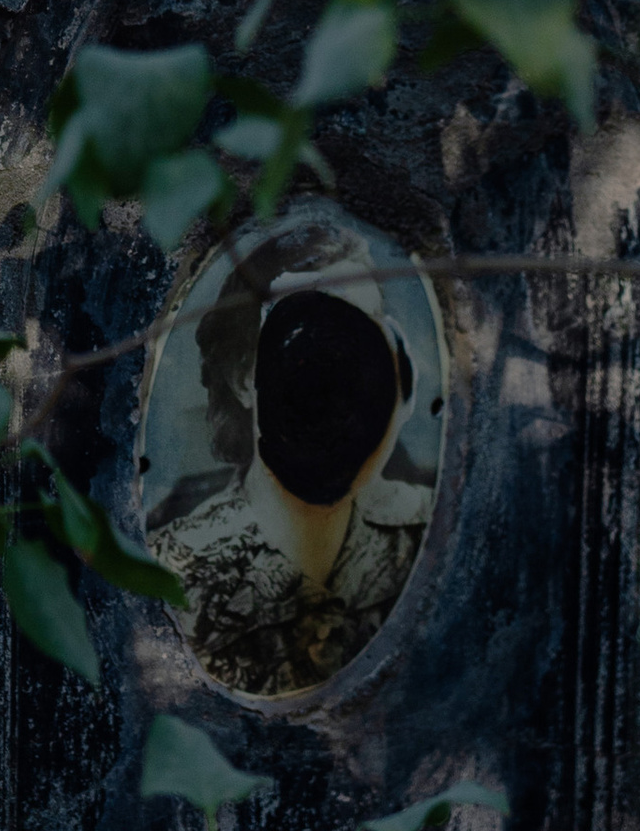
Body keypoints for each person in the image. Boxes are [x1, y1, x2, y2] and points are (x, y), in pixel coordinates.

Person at [146, 254, 433, 697]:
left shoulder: (423, 529)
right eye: (311, 347)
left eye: (366, 344)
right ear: (245, 377)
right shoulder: (177, 569)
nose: (340, 383)